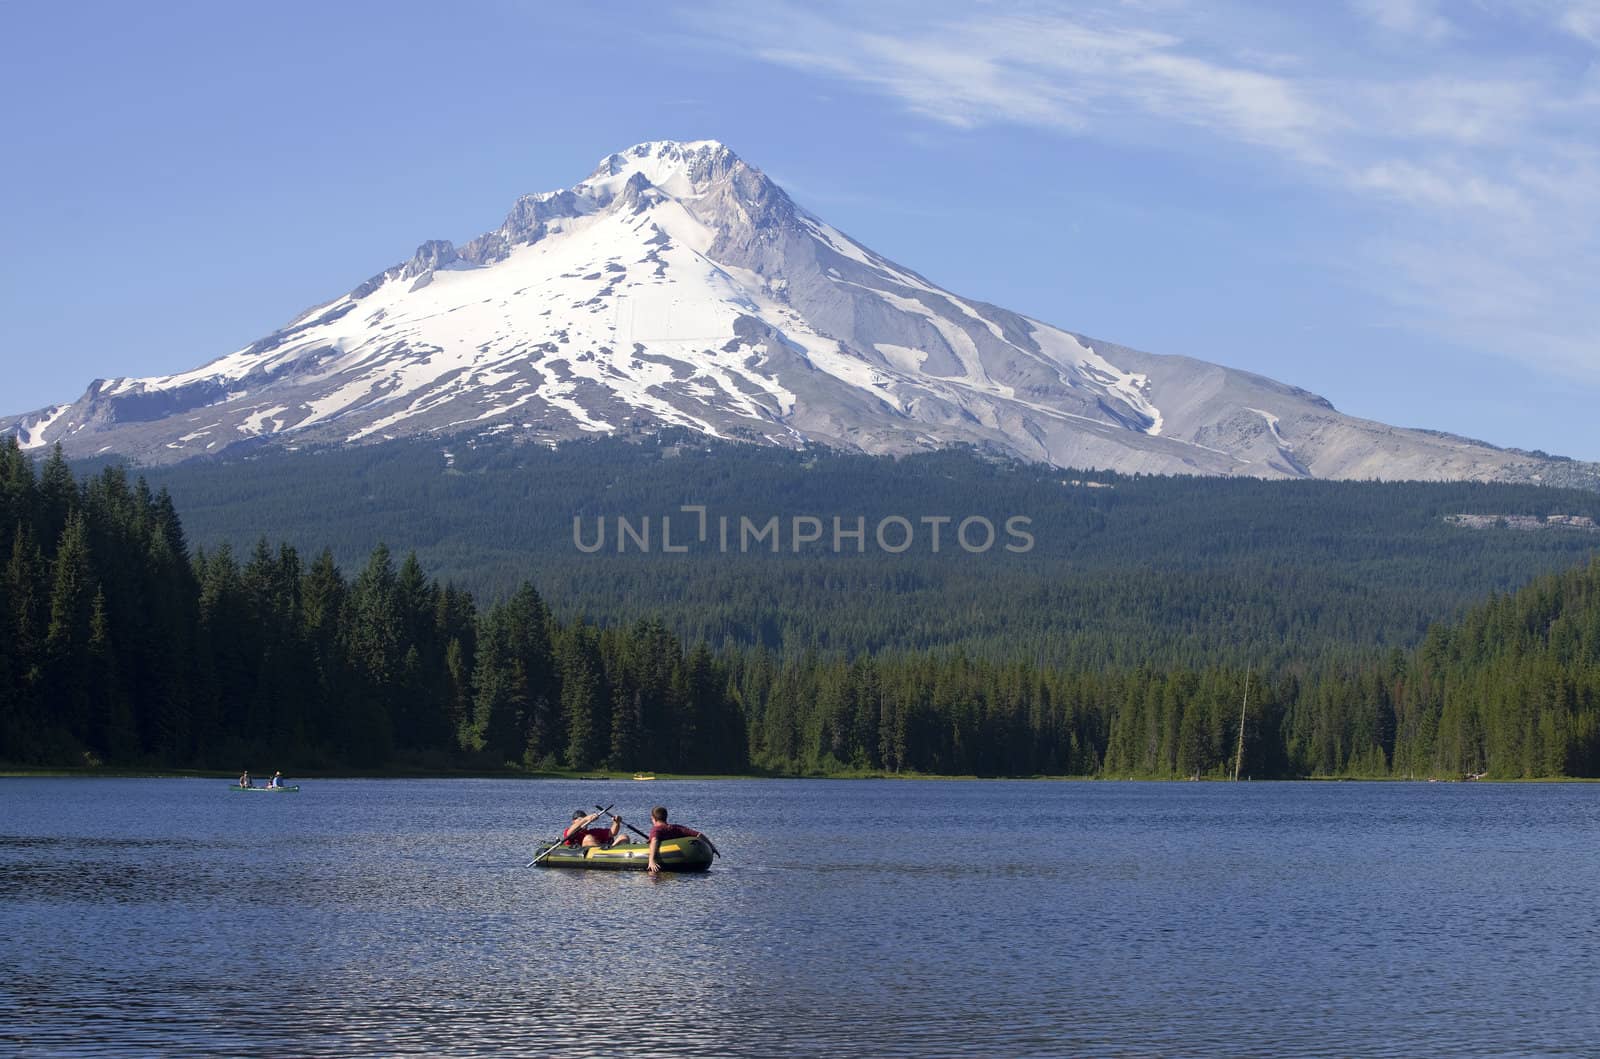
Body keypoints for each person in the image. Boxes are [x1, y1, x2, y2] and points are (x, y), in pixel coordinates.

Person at [646, 805, 705, 874]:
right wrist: (712, 847)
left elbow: (654, 841)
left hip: (666, 858)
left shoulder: (656, 829)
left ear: (653, 818)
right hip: (684, 861)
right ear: (666, 817)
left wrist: (651, 860)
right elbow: (699, 835)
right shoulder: (676, 828)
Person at [562, 809, 626, 848]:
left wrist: (616, 822)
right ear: (573, 822)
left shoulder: (593, 831)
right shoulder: (568, 831)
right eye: (579, 819)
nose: (583, 821)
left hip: (607, 851)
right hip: (581, 853)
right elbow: (569, 833)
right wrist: (585, 819)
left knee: (624, 837)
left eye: (584, 819)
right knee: (588, 838)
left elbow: (613, 833)